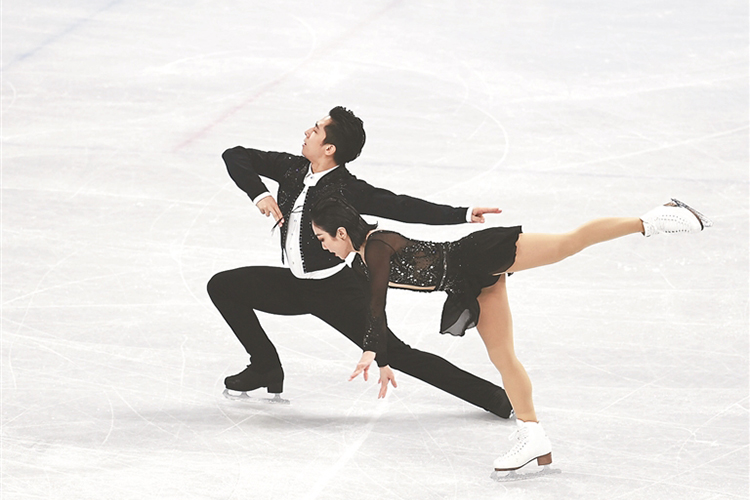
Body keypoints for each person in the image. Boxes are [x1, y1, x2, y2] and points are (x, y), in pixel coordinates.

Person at [309, 195, 711, 472]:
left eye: (322, 238)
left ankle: (655, 219)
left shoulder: (376, 247)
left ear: (342, 232)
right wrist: (381, 357)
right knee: (502, 357)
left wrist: (371, 350)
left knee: (567, 244)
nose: (323, 247)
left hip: (477, 254)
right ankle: (533, 436)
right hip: (469, 282)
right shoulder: (360, 262)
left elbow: (377, 303)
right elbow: (371, 307)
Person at [207, 106, 513, 417]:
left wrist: (461, 214)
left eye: (316, 130)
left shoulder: (347, 189)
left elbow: (403, 207)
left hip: (337, 291)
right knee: (223, 286)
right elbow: (235, 155)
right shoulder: (291, 169)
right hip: (294, 285)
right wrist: (259, 194)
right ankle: (265, 367)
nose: (307, 132)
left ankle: (496, 398)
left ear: (329, 148)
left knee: (397, 353)